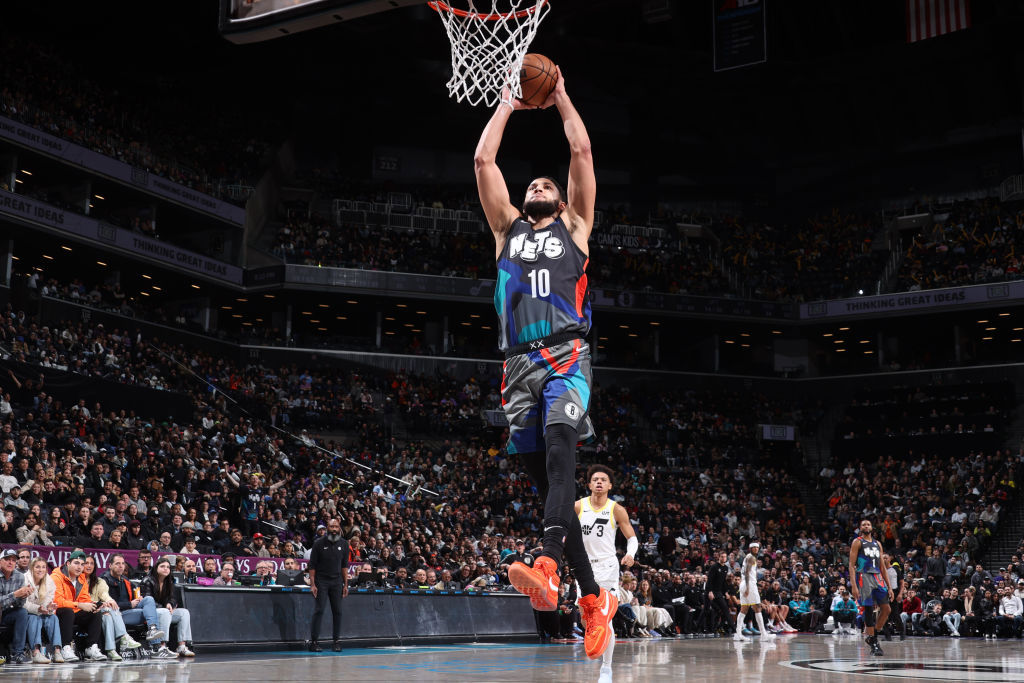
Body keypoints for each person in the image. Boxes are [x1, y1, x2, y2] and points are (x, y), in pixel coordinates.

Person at [474, 62, 615, 663]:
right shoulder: (505, 229)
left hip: (566, 353)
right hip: (517, 366)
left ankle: (551, 567)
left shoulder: (577, 227)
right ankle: (594, 601)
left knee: (562, 448)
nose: (535, 183)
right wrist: (507, 101)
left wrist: (559, 97)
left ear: (560, 198)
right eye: (529, 183)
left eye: (543, 183)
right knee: (549, 486)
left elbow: (580, 148)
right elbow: (484, 163)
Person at [575, 464, 638, 683]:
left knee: (605, 617)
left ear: (610, 485)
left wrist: (630, 553)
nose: (599, 482)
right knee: (586, 619)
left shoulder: (616, 509)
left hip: (608, 567)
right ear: (589, 484)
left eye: (603, 479)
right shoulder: (577, 506)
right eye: (595, 479)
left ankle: (607, 668)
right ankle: (597, 642)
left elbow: (631, 537)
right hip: (583, 567)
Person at [82, 555, 142, 661]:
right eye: (86, 563)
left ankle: (111, 650)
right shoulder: (77, 581)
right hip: (83, 610)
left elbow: (105, 594)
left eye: (92, 563)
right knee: (108, 609)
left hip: (99, 611)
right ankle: (123, 637)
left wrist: (109, 600)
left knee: (108, 613)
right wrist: (100, 603)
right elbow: (82, 600)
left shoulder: (99, 581)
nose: (89, 566)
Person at [100, 553, 165, 648]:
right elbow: (110, 604)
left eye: (123, 563)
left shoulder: (125, 579)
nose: (121, 566)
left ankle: (153, 630)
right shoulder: (104, 580)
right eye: (117, 563)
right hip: (118, 614)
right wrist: (130, 604)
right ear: (110, 565)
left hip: (130, 610)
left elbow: (133, 597)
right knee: (154, 613)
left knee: (148, 599)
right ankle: (157, 646)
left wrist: (137, 599)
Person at [849, 519, 894, 656]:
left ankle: (872, 635)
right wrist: (854, 586)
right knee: (868, 609)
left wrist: (889, 586)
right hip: (863, 576)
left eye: (868, 524)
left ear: (872, 527)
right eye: (863, 524)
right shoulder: (857, 542)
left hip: (877, 577)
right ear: (860, 528)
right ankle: (874, 642)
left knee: (886, 609)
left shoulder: (877, 544)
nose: (866, 526)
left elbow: (882, 566)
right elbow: (851, 565)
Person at [52, 550, 106, 662]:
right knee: (67, 611)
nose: (79, 567)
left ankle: (91, 648)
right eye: (76, 563)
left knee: (95, 613)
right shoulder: (56, 577)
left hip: (74, 611)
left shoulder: (81, 578)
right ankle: (65, 647)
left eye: (82, 564)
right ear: (68, 563)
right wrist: (79, 605)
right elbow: (57, 601)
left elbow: (85, 599)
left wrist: (93, 605)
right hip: (57, 612)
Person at [307, 517, 349, 652]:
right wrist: (313, 584)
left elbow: (344, 566)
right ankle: (314, 642)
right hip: (321, 581)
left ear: (339, 528)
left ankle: (336, 641)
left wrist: (345, 584)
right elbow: (312, 566)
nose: (335, 530)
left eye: (336, 527)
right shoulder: (318, 543)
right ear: (327, 528)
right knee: (319, 610)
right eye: (332, 527)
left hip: (337, 582)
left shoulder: (344, 544)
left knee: (338, 612)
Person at [141, 557, 194, 658]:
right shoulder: (147, 580)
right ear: (156, 568)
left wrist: (170, 604)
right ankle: (161, 646)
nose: (166, 569)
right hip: (151, 612)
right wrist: (165, 607)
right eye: (162, 566)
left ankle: (181, 646)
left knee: (184, 613)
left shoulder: (169, 581)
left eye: (168, 567)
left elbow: (173, 598)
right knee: (165, 612)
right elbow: (147, 601)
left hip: (164, 611)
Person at [24, 557, 63, 663]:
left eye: (43, 567)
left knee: (53, 618)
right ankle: (36, 652)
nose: (40, 570)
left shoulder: (49, 581)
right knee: (34, 618)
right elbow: (23, 603)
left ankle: (57, 652)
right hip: (27, 614)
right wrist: (38, 609)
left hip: (41, 612)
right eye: (37, 567)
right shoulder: (25, 579)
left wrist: (48, 608)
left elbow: (48, 600)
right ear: (32, 568)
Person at [734, 542, 774, 642]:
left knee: (744, 609)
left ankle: (738, 634)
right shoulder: (751, 557)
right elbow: (747, 573)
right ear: (750, 548)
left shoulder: (748, 557)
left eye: (757, 547)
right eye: (754, 547)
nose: (756, 549)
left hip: (744, 584)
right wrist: (747, 587)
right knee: (757, 607)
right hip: (749, 584)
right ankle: (764, 634)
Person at [0, 548, 32, 664]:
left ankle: (18, 653)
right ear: (0, 561)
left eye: (13, 560)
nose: (10, 562)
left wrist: (23, 596)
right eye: (7, 559)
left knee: (22, 612)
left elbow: (19, 605)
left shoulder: (19, 577)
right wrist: (15, 594)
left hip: (7, 613)